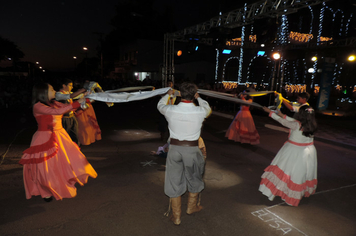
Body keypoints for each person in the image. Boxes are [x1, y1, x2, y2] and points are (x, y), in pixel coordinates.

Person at [19, 83, 97, 202]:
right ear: (43, 92)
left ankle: (61, 183)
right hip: (44, 138)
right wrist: (79, 100)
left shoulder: (54, 103)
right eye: (51, 89)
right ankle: (46, 191)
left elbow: (69, 107)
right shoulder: (38, 106)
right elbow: (61, 110)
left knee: (64, 162)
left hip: (60, 135)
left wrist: (87, 98)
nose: (54, 90)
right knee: (46, 167)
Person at [157, 82, 211, 225]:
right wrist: (199, 98)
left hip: (174, 149)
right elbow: (207, 107)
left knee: (174, 181)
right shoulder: (201, 111)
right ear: (194, 95)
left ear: (179, 94)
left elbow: (159, 106)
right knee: (194, 177)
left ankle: (177, 217)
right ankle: (191, 208)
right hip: (192, 150)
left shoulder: (170, 109)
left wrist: (167, 95)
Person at [259, 105, 318, 206]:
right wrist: (282, 114)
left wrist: (271, 113)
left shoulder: (296, 124)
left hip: (294, 151)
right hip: (308, 151)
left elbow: (285, 123)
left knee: (286, 170)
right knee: (300, 173)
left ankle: (282, 191)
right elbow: (293, 122)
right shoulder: (312, 124)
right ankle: (295, 192)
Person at [56, 79, 86, 144]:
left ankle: (75, 150)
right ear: (64, 85)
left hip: (72, 117)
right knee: (65, 136)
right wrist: (82, 90)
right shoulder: (58, 94)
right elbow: (71, 96)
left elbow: (78, 95)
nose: (72, 87)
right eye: (70, 85)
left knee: (75, 136)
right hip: (64, 119)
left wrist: (86, 93)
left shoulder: (69, 93)